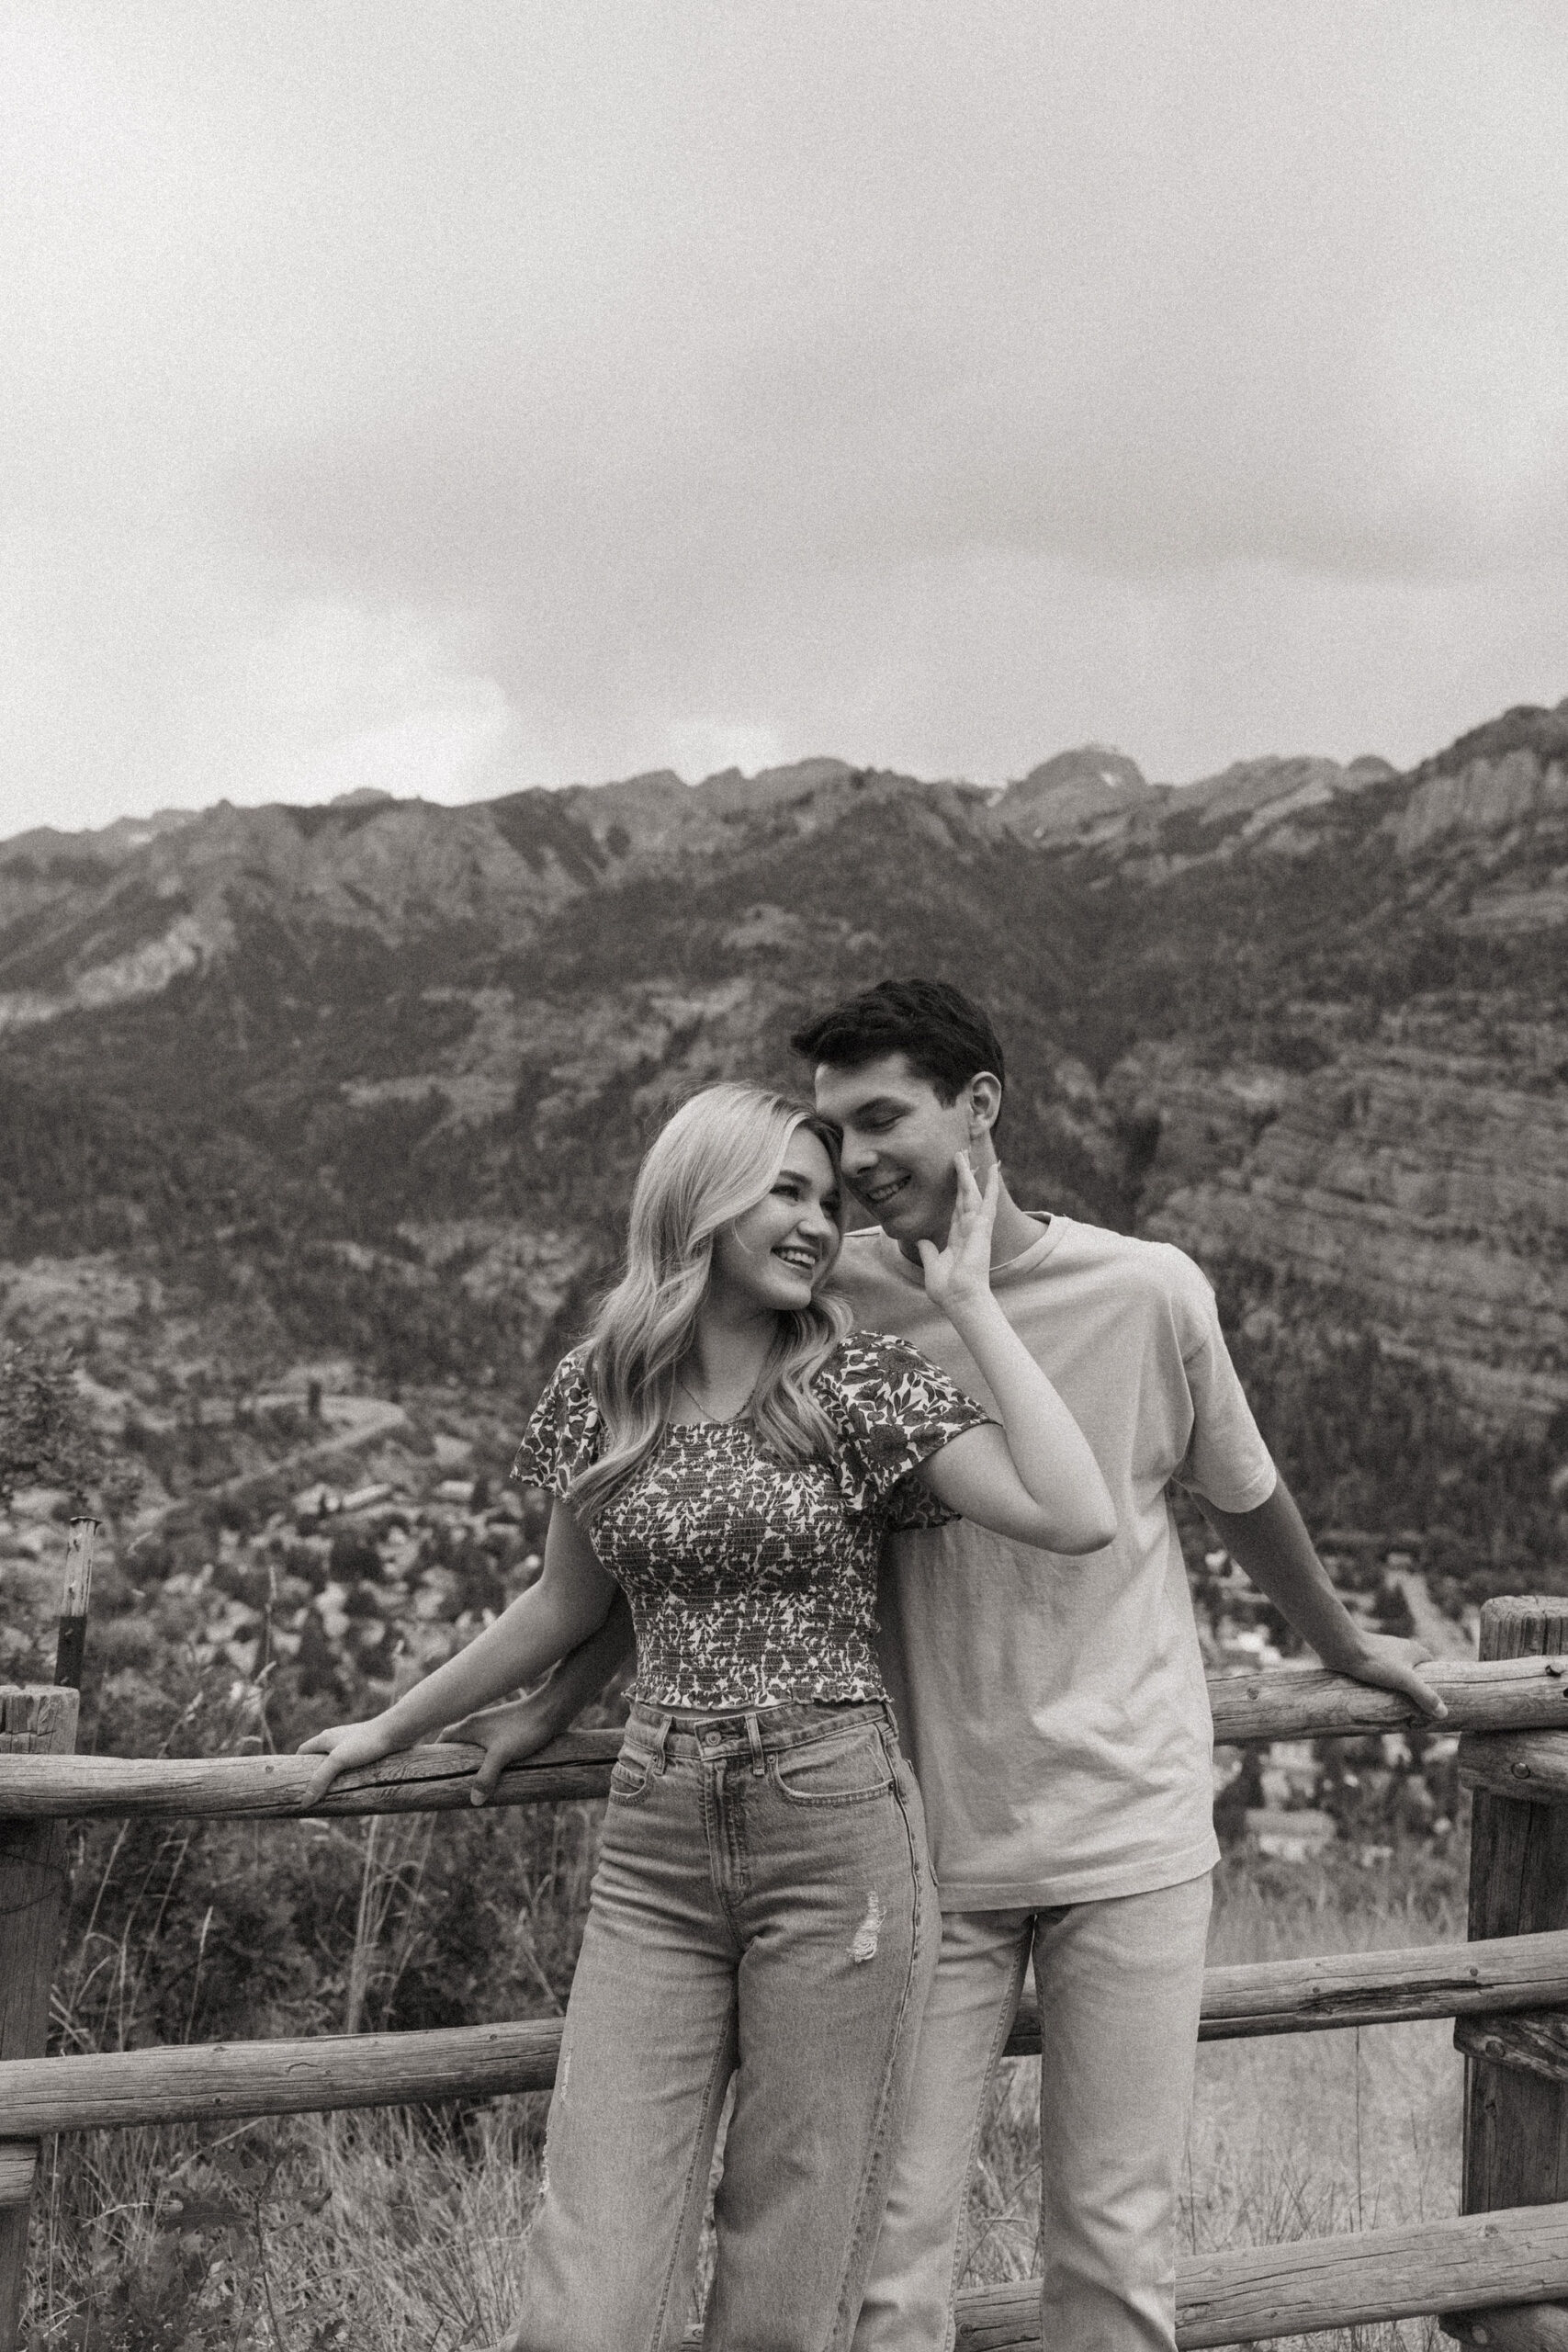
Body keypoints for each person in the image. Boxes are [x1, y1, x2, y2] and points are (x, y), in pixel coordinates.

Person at [468, 984, 1448, 2352]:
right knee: (883, 2261)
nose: (856, 1167)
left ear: (977, 1107)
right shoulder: (826, 1296)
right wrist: (556, 1701)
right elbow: (696, 1519)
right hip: (920, 1841)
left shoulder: (1147, 1288)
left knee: (1112, 2254)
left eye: (884, 1120)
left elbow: (1245, 1491)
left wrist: (1343, 1646)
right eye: (833, 1132)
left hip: (1130, 1826)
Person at [299, 1080, 1115, 2352]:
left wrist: (967, 1300)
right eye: (783, 1192)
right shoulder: (603, 1384)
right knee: (588, 2290)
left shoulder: (856, 1382)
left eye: (826, 1200)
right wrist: (398, 1730)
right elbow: (565, 1602)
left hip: (835, 1834)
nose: (813, 1224)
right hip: (655, 1840)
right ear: (700, 1202)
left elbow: (1076, 1511)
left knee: (786, 2278)